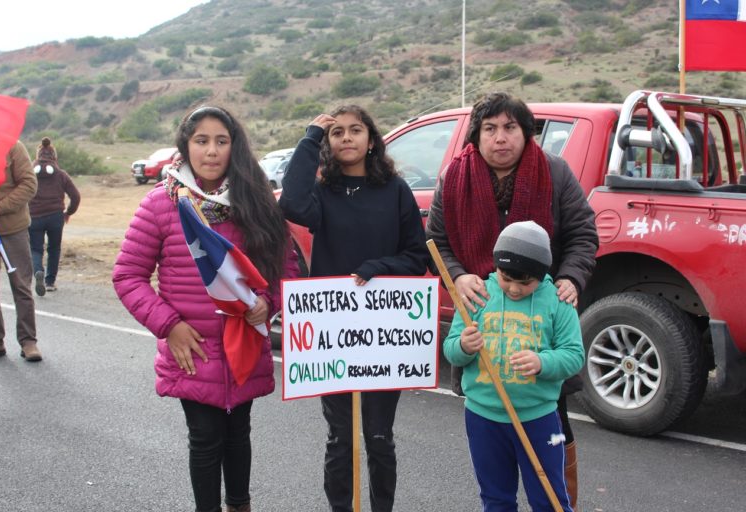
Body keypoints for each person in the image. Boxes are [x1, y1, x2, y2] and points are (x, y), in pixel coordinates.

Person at [113, 105, 298, 512]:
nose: (211, 151)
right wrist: (169, 326)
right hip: (192, 348)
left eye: (221, 141)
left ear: (235, 147)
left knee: (239, 433)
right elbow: (128, 276)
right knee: (205, 437)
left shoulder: (257, 201)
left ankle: (240, 504)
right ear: (186, 145)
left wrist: (266, 305)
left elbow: (286, 269)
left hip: (244, 346)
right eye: (201, 141)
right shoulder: (161, 204)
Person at [425, 92, 598, 509]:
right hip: (484, 314)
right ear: (477, 135)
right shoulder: (454, 176)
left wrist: (571, 277)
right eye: (490, 129)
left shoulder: (554, 173)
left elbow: (582, 235)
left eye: (510, 127)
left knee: (553, 427)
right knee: (493, 445)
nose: (500, 138)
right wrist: (459, 275)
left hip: (540, 319)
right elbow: (436, 239)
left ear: (526, 132)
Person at [278, 105, 429, 512]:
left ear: (371, 139)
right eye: (336, 132)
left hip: (385, 333)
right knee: (340, 439)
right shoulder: (322, 192)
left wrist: (378, 268)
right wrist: (310, 135)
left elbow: (417, 256)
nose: (346, 137)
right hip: (332, 336)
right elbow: (291, 203)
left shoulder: (395, 189)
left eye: (355, 130)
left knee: (379, 437)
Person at [443, 221, 584, 512]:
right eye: (507, 279)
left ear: (543, 273)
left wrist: (542, 362)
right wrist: (463, 347)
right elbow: (452, 350)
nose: (515, 289)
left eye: (526, 282)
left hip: (540, 418)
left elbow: (573, 355)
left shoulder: (559, 300)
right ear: (496, 267)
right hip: (483, 416)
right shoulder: (477, 294)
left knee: (550, 499)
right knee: (496, 499)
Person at [0, 141, 43, 362]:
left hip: (12, 229)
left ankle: (28, 341)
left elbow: (29, 184)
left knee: (21, 286)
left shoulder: (12, 146)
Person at [29, 137, 81, 295]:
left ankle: (38, 270)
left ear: (38, 156)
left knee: (35, 249)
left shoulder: (29, 173)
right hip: (55, 217)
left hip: (34, 217)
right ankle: (50, 282)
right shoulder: (61, 175)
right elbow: (75, 196)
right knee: (54, 249)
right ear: (54, 157)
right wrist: (68, 212)